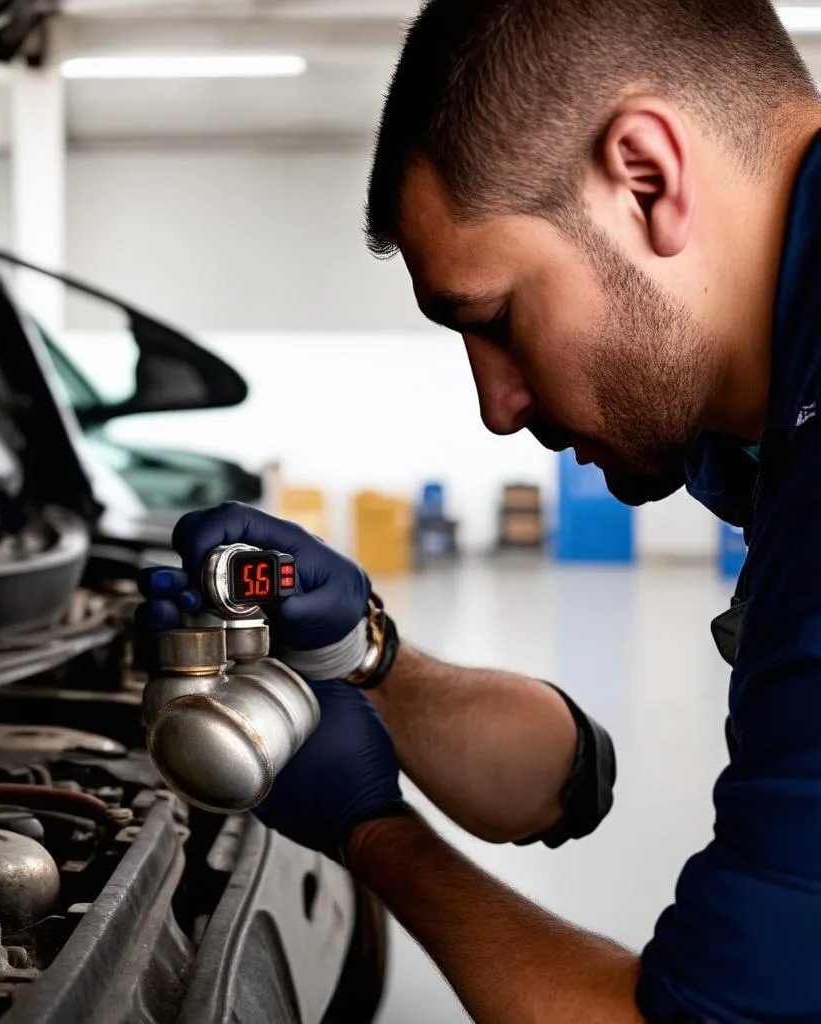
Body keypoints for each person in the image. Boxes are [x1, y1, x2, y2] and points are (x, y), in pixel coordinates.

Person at [136, 1, 821, 1019]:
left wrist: (374, 832)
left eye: (494, 318)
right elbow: (569, 782)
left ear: (645, 177)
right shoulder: (761, 430)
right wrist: (364, 656)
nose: (497, 409)